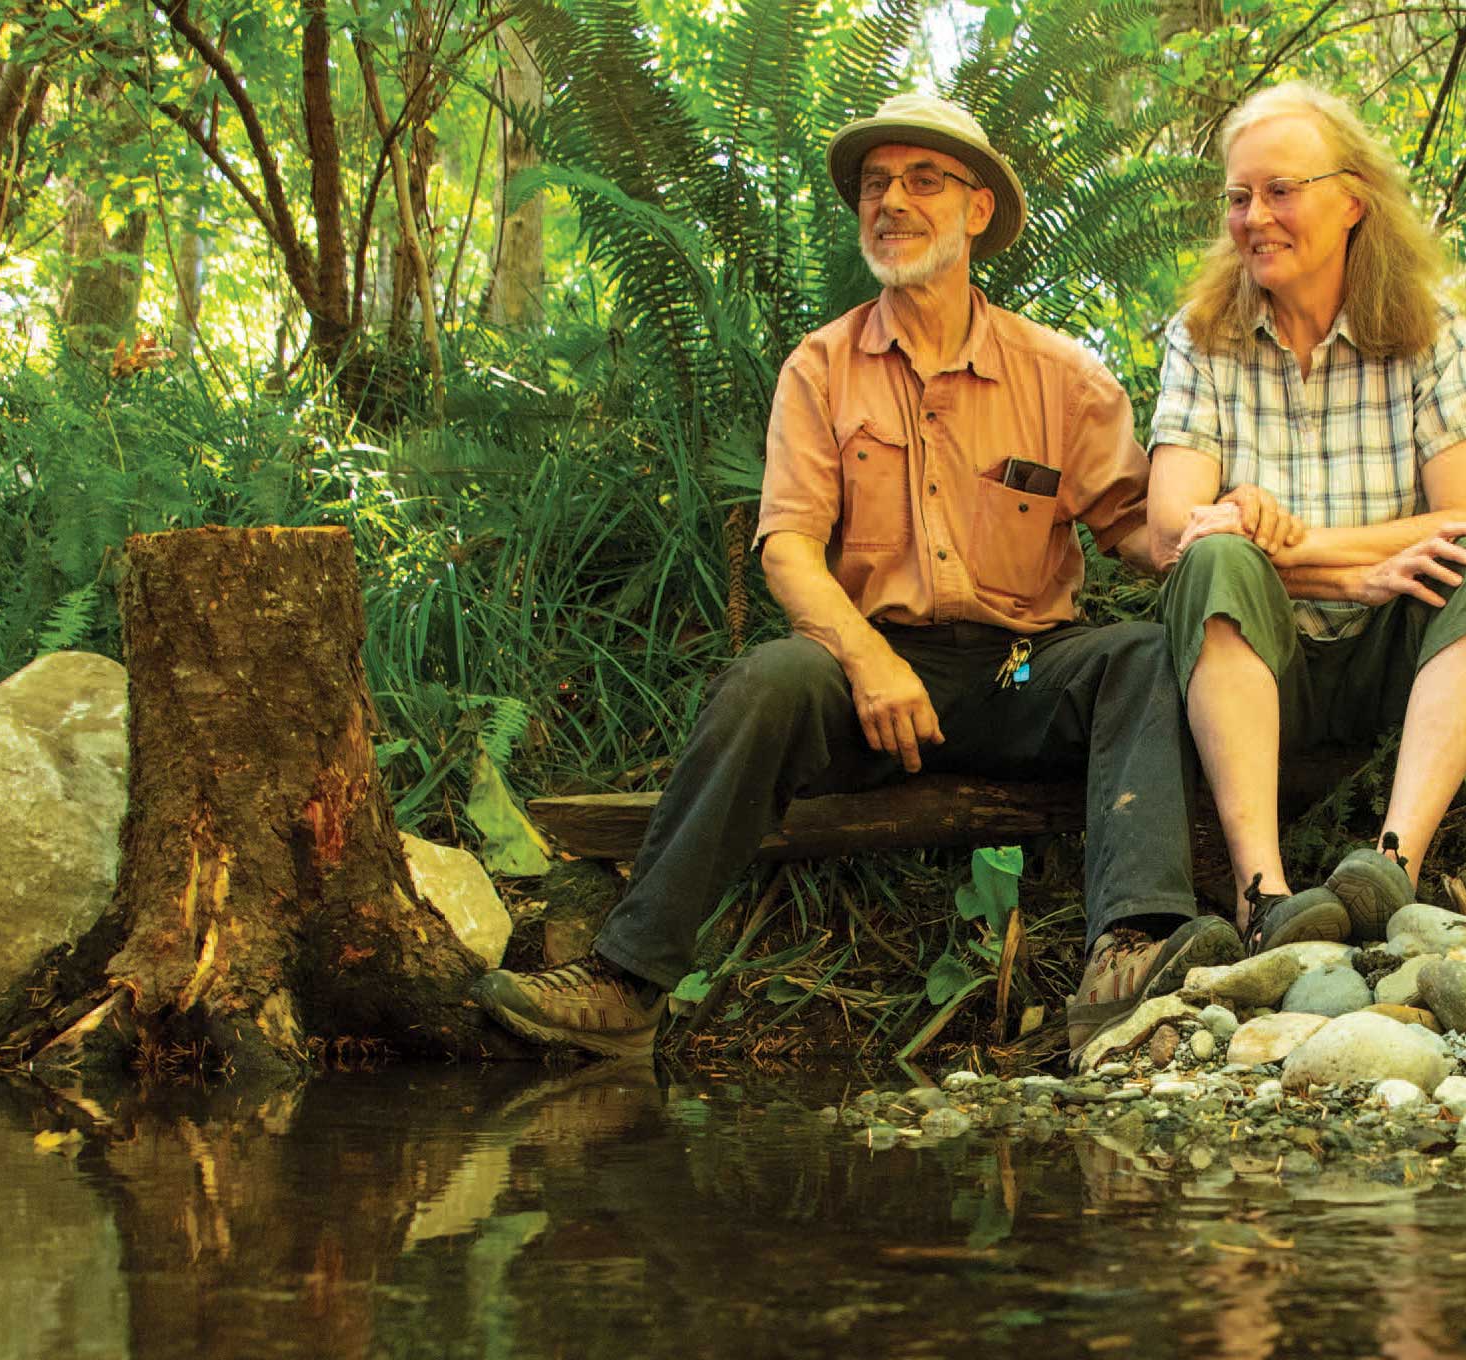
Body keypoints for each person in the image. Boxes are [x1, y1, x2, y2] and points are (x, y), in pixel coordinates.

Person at [475, 93, 1238, 1065]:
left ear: (975, 212)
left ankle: (1127, 959)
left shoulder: (1063, 378)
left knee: (1137, 657)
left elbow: (1140, 526)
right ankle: (626, 981)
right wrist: (868, 659)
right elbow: (788, 544)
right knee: (767, 681)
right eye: (876, 184)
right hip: (873, 681)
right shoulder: (821, 368)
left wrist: (1224, 539)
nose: (891, 200)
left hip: (1017, 675)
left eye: (923, 180)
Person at [1147, 81, 1466, 952]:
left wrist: (1310, 546)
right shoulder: (1201, 334)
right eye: (1240, 196)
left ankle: (1389, 866)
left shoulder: (1425, 325)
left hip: (1390, 654)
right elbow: (1172, 528)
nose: (1256, 216)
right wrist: (1318, 567)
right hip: (1257, 650)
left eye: (1281, 190)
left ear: (1352, 200)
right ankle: (1263, 896)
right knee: (1214, 562)